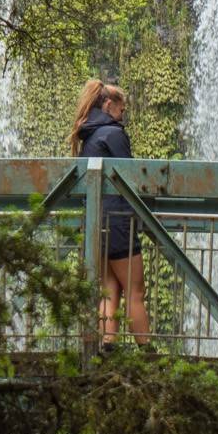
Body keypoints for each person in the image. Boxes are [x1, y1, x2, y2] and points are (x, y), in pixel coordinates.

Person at [70, 78, 150, 344]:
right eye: (121, 108)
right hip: (118, 223)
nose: (123, 114)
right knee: (136, 291)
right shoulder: (114, 134)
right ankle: (148, 355)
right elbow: (129, 178)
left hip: (97, 222)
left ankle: (107, 349)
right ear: (108, 104)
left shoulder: (89, 135)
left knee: (109, 290)